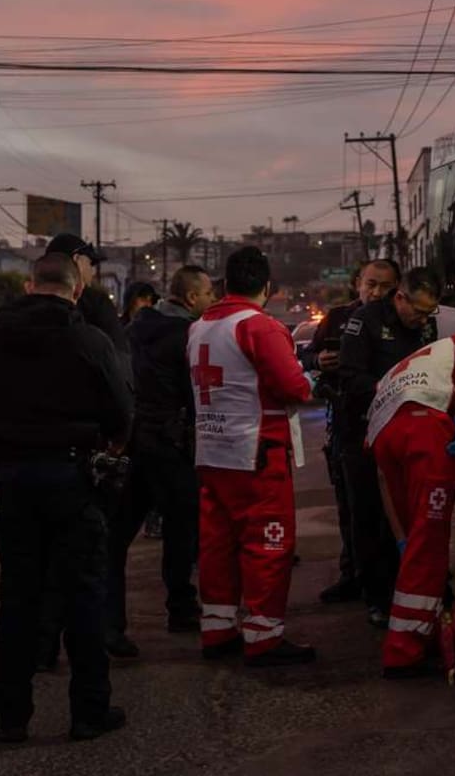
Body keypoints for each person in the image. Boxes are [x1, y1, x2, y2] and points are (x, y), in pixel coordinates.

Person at [0, 253, 133, 742]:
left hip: (13, 481)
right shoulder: (89, 340)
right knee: (83, 595)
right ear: (76, 290)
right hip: (75, 478)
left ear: (31, 285)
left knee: (18, 598)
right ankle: (88, 712)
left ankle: (11, 717)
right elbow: (121, 414)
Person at [190, 246, 316, 666]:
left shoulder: (200, 326)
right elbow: (294, 387)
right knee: (268, 544)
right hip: (256, 452)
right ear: (266, 285)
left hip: (212, 451)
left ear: (224, 284)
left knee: (217, 545)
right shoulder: (259, 326)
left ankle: (218, 629)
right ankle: (263, 637)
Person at [367, 334, 455, 678]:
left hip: (386, 435)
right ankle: (403, 651)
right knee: (430, 545)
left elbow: (382, 477)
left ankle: (421, 632)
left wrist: (400, 536)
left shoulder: (401, 369)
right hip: (426, 431)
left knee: (415, 540)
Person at [37, 233, 130, 669]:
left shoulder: (5, 323)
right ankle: (92, 679)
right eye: (90, 262)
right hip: (82, 461)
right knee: (90, 564)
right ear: (76, 264)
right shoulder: (95, 313)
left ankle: (39, 650)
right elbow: (120, 385)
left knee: (35, 566)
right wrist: (118, 438)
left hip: (23, 465)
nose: (94, 271)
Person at [337, 267, 439, 627]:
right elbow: (350, 379)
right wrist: (392, 386)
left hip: (407, 433)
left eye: (430, 313)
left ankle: (410, 587)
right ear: (400, 298)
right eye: (418, 311)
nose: (423, 319)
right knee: (369, 517)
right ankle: (376, 596)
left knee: (408, 513)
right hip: (363, 431)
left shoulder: (424, 325)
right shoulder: (363, 323)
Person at [299, 259, 400, 604]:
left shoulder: (400, 318)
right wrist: (318, 361)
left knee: (384, 512)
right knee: (350, 509)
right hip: (346, 424)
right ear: (358, 282)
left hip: (389, 427)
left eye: (386, 286)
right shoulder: (338, 318)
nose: (376, 292)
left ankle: (388, 582)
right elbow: (308, 353)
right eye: (370, 284)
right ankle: (352, 575)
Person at [125, 265, 217, 640]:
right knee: (181, 529)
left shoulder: (135, 329)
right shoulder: (188, 335)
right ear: (192, 297)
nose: (212, 299)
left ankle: (110, 618)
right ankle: (181, 608)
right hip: (172, 442)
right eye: (209, 293)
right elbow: (194, 391)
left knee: (121, 528)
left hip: (138, 437)